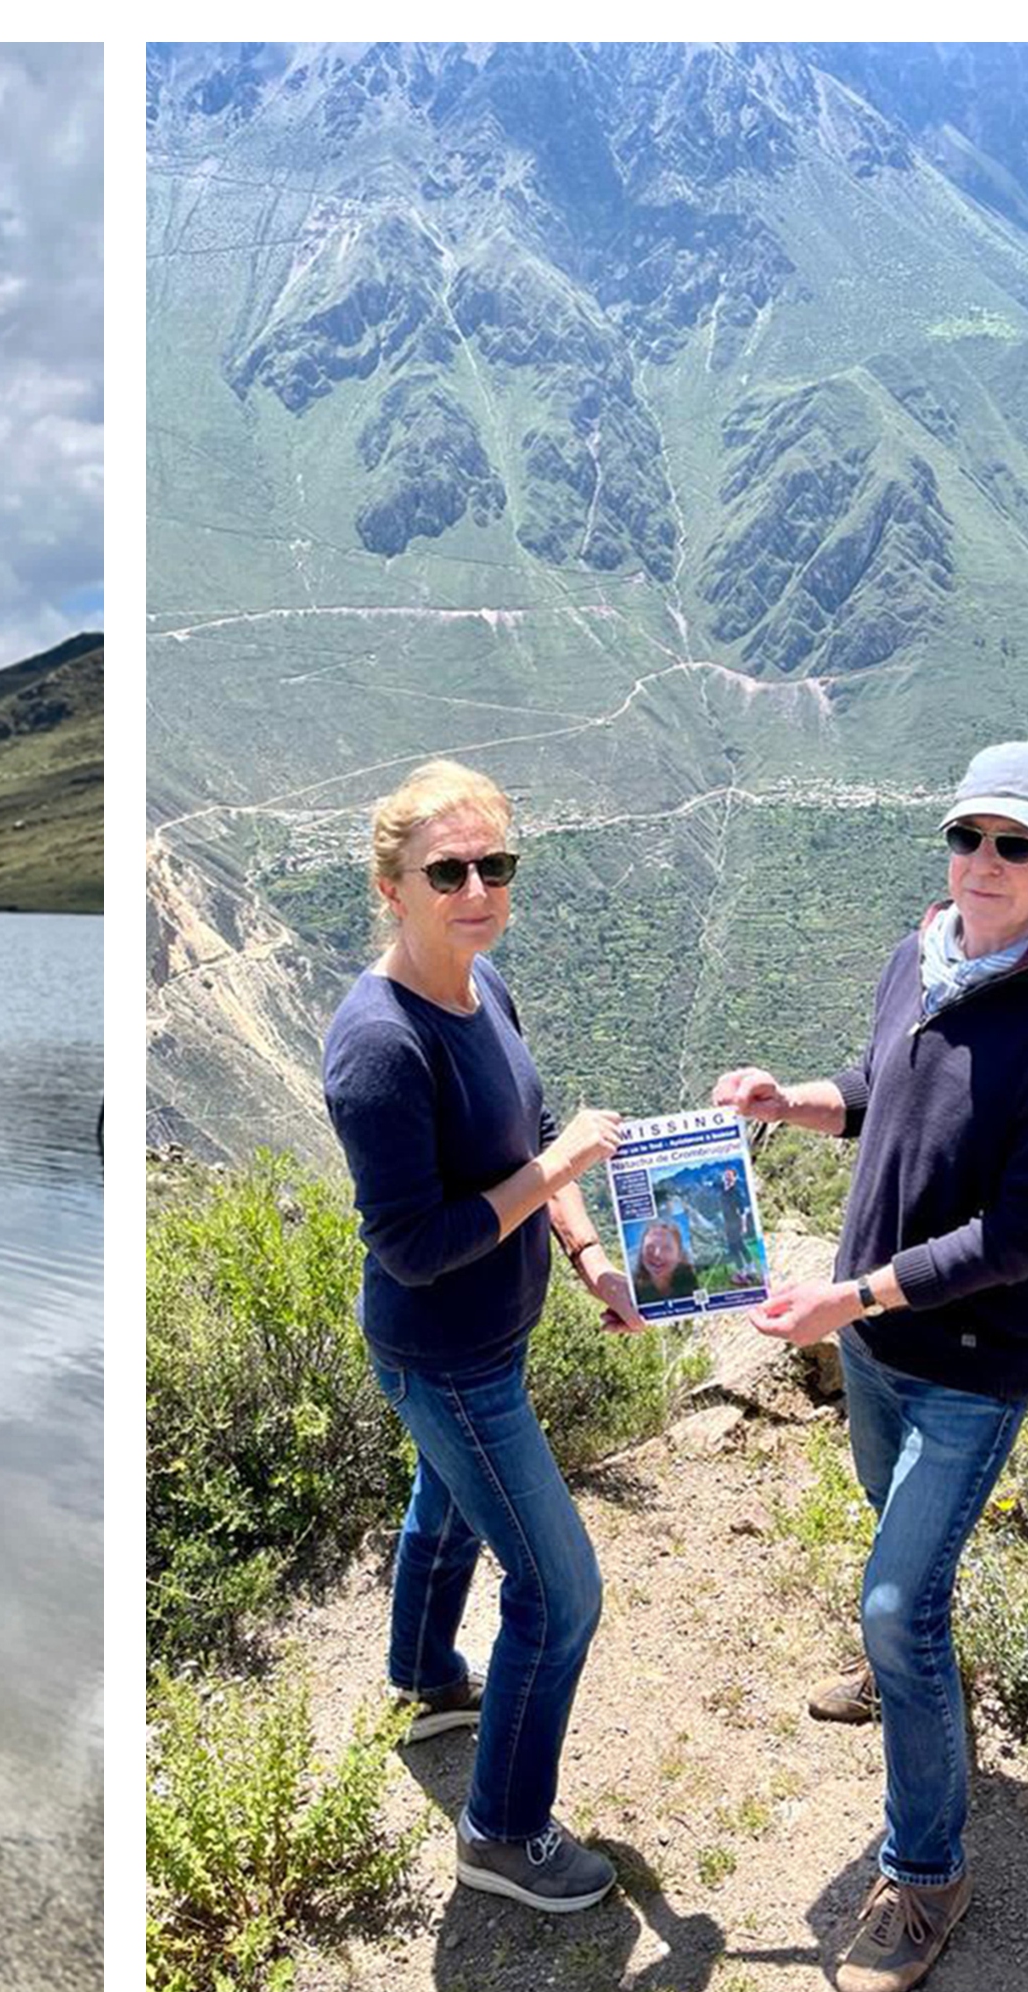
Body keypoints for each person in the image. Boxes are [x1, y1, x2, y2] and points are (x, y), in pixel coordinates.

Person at [711, 741, 1028, 1992]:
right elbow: (883, 1089)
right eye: (969, 837)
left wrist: (853, 1290)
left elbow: (1025, 1235)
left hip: (970, 1361)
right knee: (896, 1566)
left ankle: (927, 1870)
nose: (985, 865)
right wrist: (788, 1101)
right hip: (875, 1342)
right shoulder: (928, 951)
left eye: (1017, 844)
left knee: (902, 1599)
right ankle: (908, 1670)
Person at [319, 760, 645, 1916]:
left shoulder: (480, 987)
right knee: (560, 1595)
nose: (475, 887)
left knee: (443, 1503)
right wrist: (552, 1176)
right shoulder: (379, 1044)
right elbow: (414, 1243)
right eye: (446, 870)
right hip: (445, 1354)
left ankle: (423, 1677)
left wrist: (590, 1253)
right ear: (391, 885)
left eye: (493, 865)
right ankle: (502, 1831)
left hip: (484, 1341)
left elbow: (533, 1131)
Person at [631, 1218, 698, 1306]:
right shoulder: (630, 1290)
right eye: (650, 1247)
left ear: (679, 1255)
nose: (657, 1254)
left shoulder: (695, 1283)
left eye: (666, 1248)